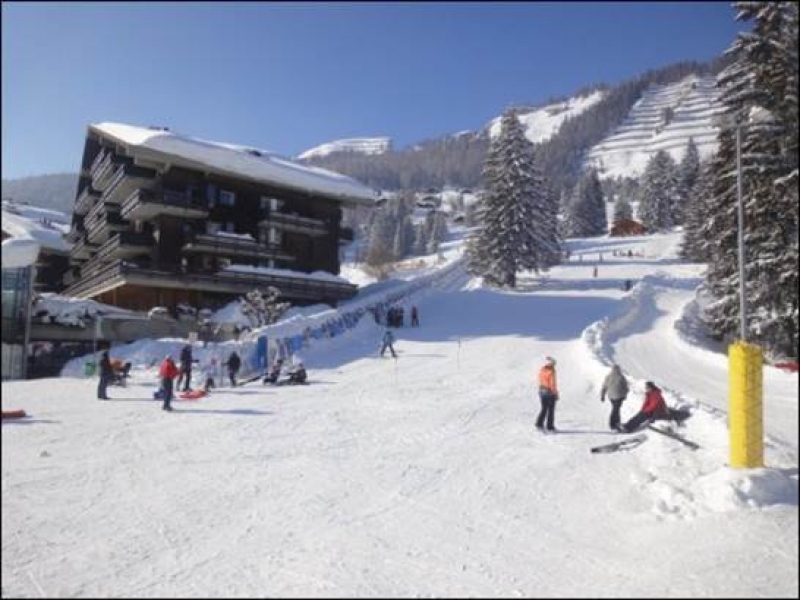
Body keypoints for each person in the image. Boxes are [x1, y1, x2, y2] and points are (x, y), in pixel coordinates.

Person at [619, 381, 690, 433]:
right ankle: (627, 426)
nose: (646, 388)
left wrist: (645, 411)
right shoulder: (650, 393)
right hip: (653, 411)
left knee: (641, 416)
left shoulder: (656, 394)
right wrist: (643, 409)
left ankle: (628, 428)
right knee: (639, 415)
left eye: (647, 387)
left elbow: (653, 405)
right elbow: (646, 403)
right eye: (646, 387)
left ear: (651, 388)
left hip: (658, 412)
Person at [600, 364, 629, 431]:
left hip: (611, 397)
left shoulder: (608, 377)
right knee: (615, 409)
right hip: (619, 396)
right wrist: (625, 395)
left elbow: (604, 387)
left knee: (616, 409)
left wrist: (602, 396)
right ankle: (613, 424)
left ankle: (617, 422)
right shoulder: (621, 377)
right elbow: (626, 387)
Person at [535, 356, 559, 431]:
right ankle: (550, 426)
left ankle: (539, 424)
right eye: (554, 363)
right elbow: (552, 384)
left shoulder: (542, 370)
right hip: (549, 392)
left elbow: (541, 380)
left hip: (542, 390)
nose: (554, 365)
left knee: (544, 408)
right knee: (551, 409)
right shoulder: (552, 371)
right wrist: (555, 393)